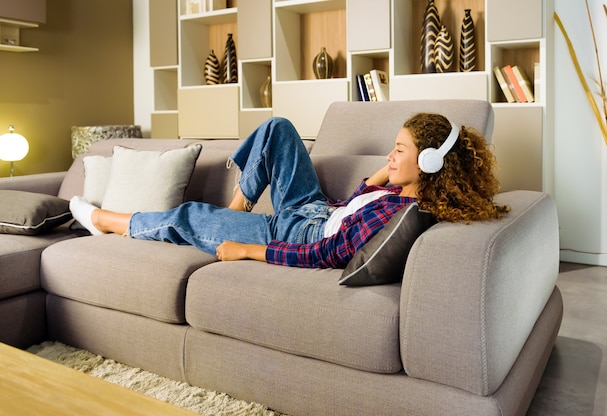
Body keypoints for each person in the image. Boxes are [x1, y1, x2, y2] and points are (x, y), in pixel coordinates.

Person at [70, 114, 508, 269]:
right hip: (313, 210)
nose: (390, 157)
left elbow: (325, 254)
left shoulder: (395, 217)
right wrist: (378, 179)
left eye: (398, 150)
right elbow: (350, 209)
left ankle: (107, 223)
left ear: (430, 164)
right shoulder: (401, 196)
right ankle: (237, 208)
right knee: (279, 129)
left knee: (188, 215)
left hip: (297, 235)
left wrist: (247, 250)